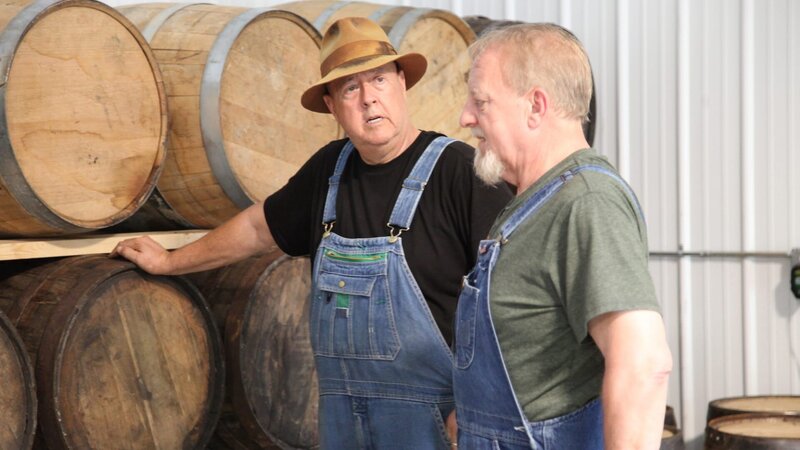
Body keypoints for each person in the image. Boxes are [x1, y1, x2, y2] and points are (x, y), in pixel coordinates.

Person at [111, 16, 512, 450]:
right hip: (342, 424)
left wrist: (477, 405)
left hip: (435, 423)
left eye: (378, 79)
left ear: (401, 82)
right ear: (332, 105)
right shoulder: (329, 171)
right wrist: (170, 261)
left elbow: (506, 298)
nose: (369, 99)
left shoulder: (460, 172)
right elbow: (255, 227)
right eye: (350, 88)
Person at [452, 23, 673, 449]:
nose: (465, 116)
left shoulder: (587, 203)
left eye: (481, 101)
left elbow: (643, 365)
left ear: (535, 105)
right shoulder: (535, 201)